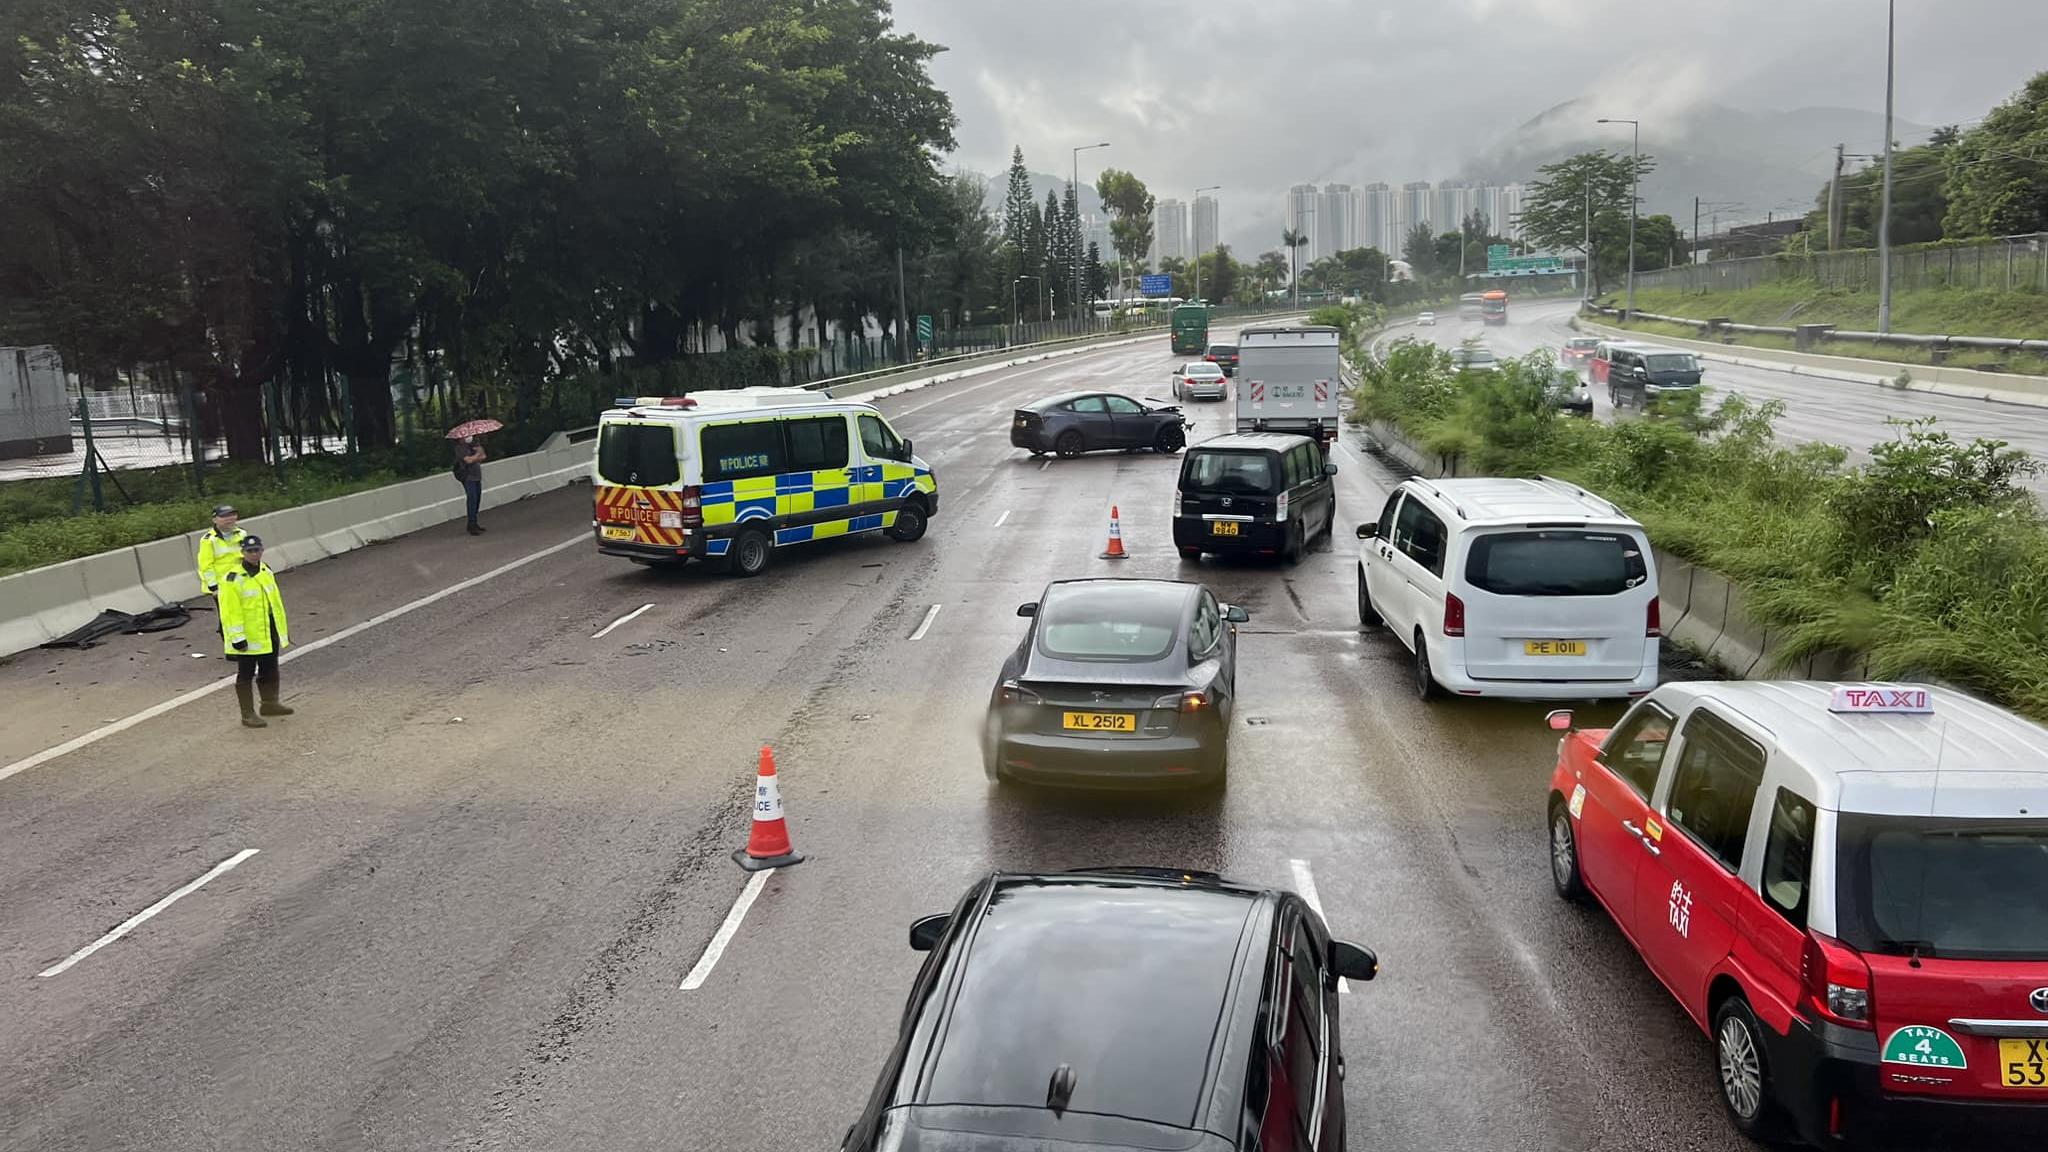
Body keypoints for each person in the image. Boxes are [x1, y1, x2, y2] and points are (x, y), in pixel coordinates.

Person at [218, 535, 293, 728]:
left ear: (262, 550)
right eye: (249, 551)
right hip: (248, 636)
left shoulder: (265, 570)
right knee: (246, 674)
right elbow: (229, 612)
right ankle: (247, 714)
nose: (254, 554)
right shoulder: (232, 579)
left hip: (268, 631)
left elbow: (274, 603)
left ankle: (269, 704)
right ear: (242, 552)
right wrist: (237, 637)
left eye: (257, 550)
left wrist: (280, 629)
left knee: (270, 668)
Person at [455, 435, 486, 534]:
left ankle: (474, 522)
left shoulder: (473, 446)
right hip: (468, 477)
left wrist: (477, 455)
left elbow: (483, 456)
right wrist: (477, 454)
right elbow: (468, 460)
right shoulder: (460, 449)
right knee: (472, 500)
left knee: (477, 499)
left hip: (477, 476)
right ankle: (472, 524)